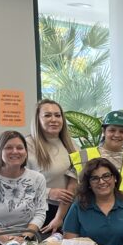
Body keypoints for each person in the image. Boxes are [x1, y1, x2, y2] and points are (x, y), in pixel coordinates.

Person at [69, 111, 123, 235]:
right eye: (112, 130)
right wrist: (61, 218)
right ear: (103, 132)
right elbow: (72, 190)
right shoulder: (83, 157)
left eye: (122, 131)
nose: (117, 135)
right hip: (90, 219)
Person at [62, 158, 123, 245]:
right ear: (89, 184)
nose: (101, 182)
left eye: (106, 176)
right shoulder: (78, 207)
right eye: (95, 178)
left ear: (115, 178)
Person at [25, 100, 77, 233]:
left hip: (67, 210)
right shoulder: (26, 145)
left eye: (57, 115)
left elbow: (74, 180)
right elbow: (18, 184)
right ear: (38, 119)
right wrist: (49, 192)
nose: (54, 120)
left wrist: (60, 216)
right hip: (38, 211)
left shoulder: (72, 145)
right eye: (47, 115)